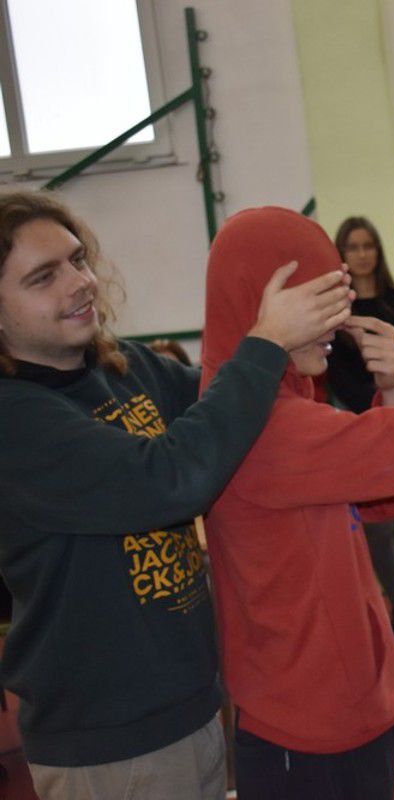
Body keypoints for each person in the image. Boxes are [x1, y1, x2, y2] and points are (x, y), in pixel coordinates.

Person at [0, 190, 353, 800]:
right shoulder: (15, 419)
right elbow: (170, 479)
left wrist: (298, 360)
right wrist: (266, 344)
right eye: (43, 277)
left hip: (192, 706)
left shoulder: (125, 367)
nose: (80, 283)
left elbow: (236, 412)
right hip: (111, 741)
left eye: (78, 260)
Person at [199, 207, 394, 800]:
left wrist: (391, 391)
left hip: (344, 717)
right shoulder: (262, 429)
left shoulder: (289, 407)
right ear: (263, 310)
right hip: (309, 736)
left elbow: (379, 501)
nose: (338, 324)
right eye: (318, 306)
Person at [325, 215, 394, 639]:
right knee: (378, 528)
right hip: (361, 430)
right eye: (353, 247)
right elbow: (338, 378)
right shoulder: (338, 314)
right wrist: (376, 406)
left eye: (368, 245)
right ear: (342, 255)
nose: (362, 254)